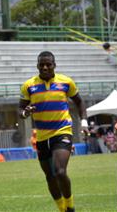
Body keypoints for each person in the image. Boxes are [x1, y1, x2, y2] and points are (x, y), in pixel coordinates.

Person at [19, 51, 88, 212]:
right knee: (50, 176)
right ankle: (62, 208)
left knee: (60, 171)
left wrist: (84, 121)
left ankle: (70, 206)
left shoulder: (66, 82)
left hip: (62, 132)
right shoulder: (29, 85)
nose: (45, 67)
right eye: (41, 64)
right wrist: (25, 112)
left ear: (54, 65)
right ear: (37, 66)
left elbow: (79, 102)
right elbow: (21, 110)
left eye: (48, 64)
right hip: (42, 136)